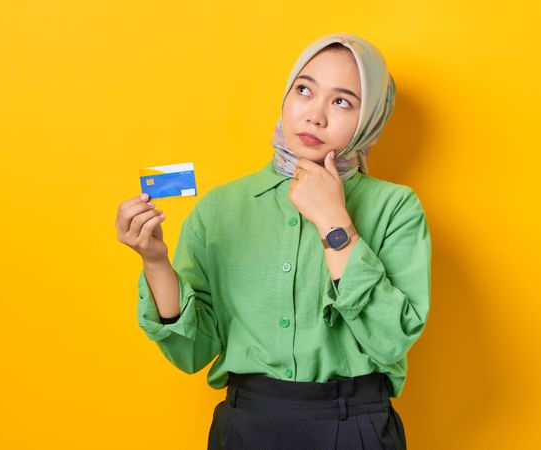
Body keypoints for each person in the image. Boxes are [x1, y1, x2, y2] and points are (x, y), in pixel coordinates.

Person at [116, 32, 430, 450]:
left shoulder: (397, 207)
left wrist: (334, 220)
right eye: (304, 90)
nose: (315, 115)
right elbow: (192, 352)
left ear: (370, 118)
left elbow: (390, 339)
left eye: (342, 101)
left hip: (355, 424)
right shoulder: (221, 208)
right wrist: (154, 261)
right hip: (248, 426)